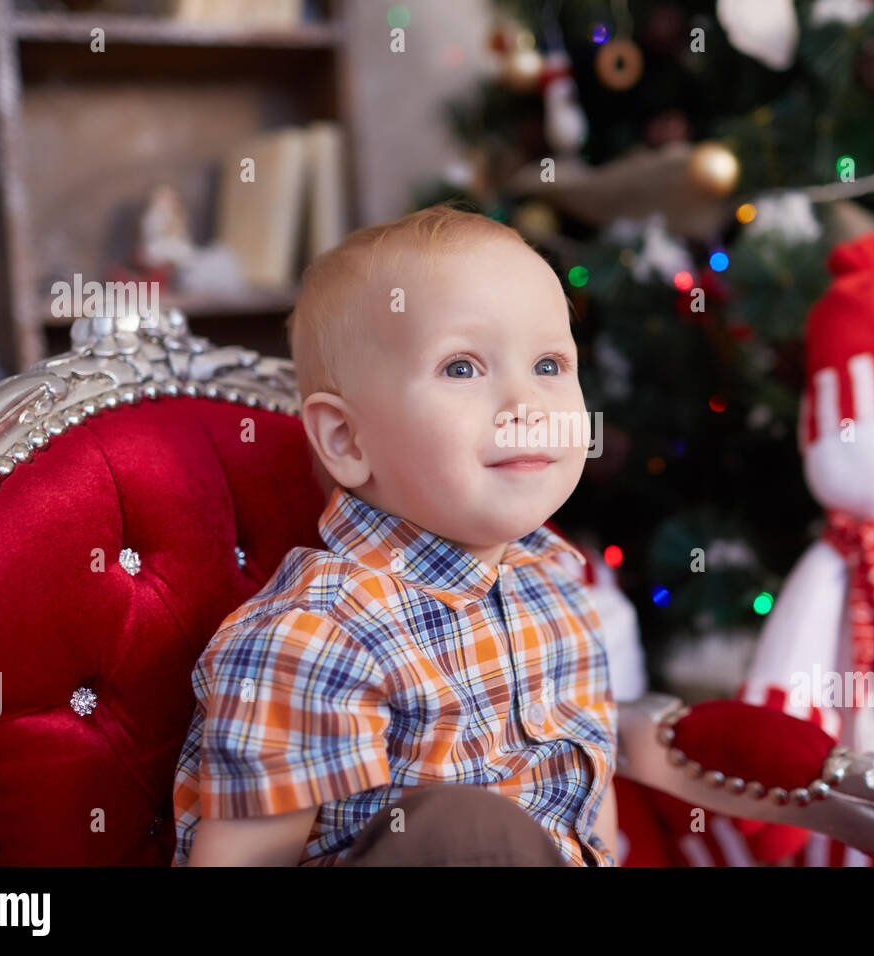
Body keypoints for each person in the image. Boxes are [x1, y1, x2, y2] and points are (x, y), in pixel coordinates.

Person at [170, 201, 617, 866]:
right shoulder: (316, 638)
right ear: (347, 439)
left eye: (549, 365)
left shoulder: (558, 587)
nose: (527, 407)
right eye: (461, 367)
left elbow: (590, 815)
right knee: (466, 831)